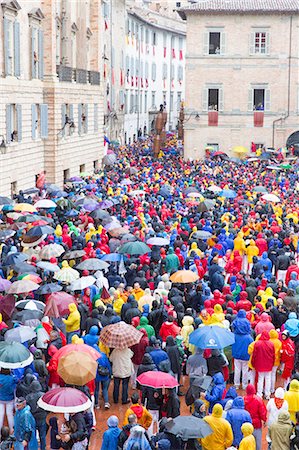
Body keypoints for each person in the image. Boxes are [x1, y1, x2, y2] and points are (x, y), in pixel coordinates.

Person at [231, 309, 253, 390]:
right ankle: (244, 385)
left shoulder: (234, 336)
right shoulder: (249, 338)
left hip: (236, 354)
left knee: (237, 369)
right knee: (245, 370)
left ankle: (236, 384)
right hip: (246, 355)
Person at [251, 331, 275, 399]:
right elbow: (273, 355)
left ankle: (259, 394)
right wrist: (272, 363)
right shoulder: (271, 344)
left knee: (260, 379)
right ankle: (267, 394)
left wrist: (253, 363)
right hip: (269, 364)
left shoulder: (257, 343)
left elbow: (254, 355)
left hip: (259, 364)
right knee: (268, 379)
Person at [25, 380, 48, 450]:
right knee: (43, 436)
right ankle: (43, 448)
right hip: (42, 417)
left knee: (32, 435)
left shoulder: (28, 397)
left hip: (33, 417)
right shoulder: (43, 395)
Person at [244, 384, 267, 450]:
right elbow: (262, 412)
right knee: (257, 444)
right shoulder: (258, 400)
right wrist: (264, 420)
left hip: (247, 425)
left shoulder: (243, 400)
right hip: (257, 425)